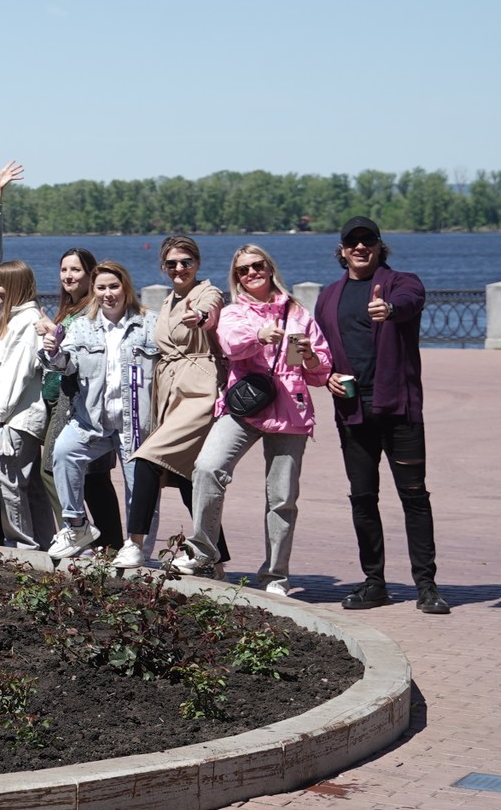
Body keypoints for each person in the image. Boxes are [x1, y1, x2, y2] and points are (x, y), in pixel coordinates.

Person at [172, 246, 332, 597]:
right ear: (237, 278)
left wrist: (310, 357)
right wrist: (260, 336)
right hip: (246, 405)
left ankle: (276, 576)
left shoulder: (298, 314)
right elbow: (230, 345)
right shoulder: (234, 312)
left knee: (282, 497)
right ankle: (203, 552)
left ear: (269, 268)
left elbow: (320, 373)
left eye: (257, 266)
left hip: (290, 410)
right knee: (207, 468)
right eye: (243, 270)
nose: (251, 273)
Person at [318, 217, 443, 613]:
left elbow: (411, 302)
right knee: (362, 498)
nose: (360, 246)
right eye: (352, 241)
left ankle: (427, 587)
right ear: (342, 250)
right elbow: (322, 353)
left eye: (367, 239)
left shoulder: (402, 283)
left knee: (414, 497)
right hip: (353, 410)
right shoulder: (328, 297)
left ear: (378, 245)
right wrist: (325, 375)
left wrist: (388, 308)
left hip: (399, 408)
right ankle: (375, 584)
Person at [40, 259, 157, 562]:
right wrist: (53, 350)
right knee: (64, 452)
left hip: (135, 425)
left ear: (126, 287)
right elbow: (66, 366)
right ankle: (77, 526)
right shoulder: (83, 326)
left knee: (139, 487)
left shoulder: (149, 323)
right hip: (93, 421)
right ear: (93, 291)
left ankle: (137, 546)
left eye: (114, 286)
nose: (108, 294)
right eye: (101, 288)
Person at [122, 236, 224, 569]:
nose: (179, 268)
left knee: (149, 458)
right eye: (171, 263)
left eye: (186, 262)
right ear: (163, 267)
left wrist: (202, 317)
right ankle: (216, 562)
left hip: (199, 390)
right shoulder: (168, 300)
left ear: (198, 263)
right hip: (169, 395)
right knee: (186, 476)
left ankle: (134, 544)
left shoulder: (207, 292)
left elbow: (210, 311)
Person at [0, 260, 56, 548]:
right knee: (30, 484)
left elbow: (17, 373)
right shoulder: (14, 319)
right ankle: (44, 542)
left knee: (10, 483)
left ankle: (22, 545)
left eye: (0, 283)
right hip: (16, 415)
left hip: (16, 418)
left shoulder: (24, 322)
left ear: (14, 286)